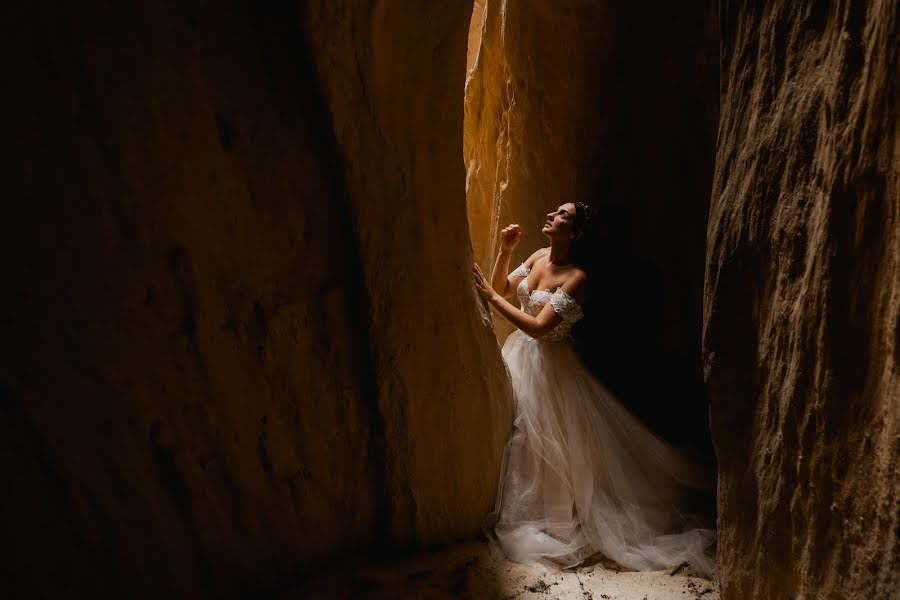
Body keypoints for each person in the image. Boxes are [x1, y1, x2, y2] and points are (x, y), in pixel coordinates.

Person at [472, 201, 715, 574]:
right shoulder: (538, 255)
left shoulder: (578, 278)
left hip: (552, 365)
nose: (551, 215)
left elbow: (539, 327)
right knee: (518, 430)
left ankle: (549, 517)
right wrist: (505, 253)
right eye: (553, 211)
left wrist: (490, 298)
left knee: (544, 440)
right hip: (522, 354)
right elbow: (504, 286)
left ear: (575, 234)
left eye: (563, 215)